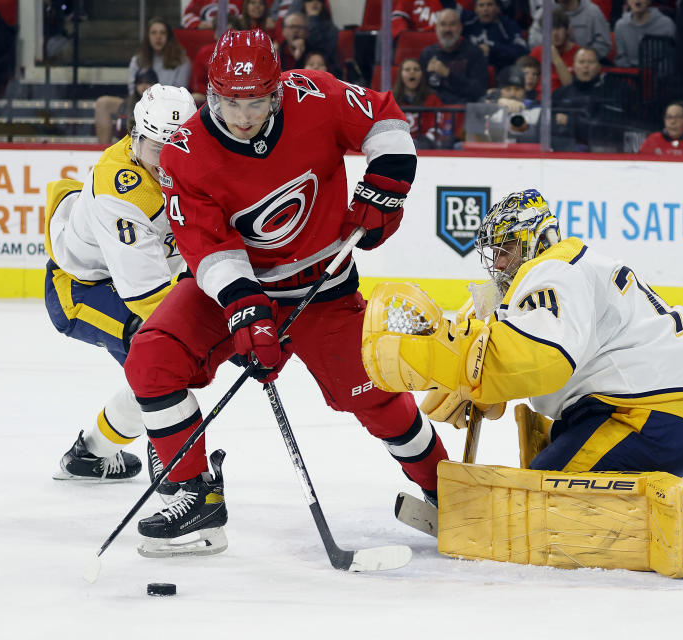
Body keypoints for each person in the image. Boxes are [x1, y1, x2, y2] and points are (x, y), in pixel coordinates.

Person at [124, 29, 450, 557]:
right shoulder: (184, 153)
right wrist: (247, 313)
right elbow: (209, 249)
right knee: (152, 356)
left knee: (375, 398)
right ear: (211, 94)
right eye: (231, 101)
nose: (244, 114)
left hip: (325, 290)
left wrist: (385, 186)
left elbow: (386, 123)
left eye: (255, 100)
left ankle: (446, 491)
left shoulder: (314, 95)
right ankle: (195, 495)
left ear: (277, 91)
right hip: (235, 292)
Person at [361, 188, 683, 504]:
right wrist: (480, 370)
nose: (500, 262)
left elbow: (546, 358)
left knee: (542, 501)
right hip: (667, 409)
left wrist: (470, 368)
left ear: (535, 240)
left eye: (506, 249)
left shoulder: (553, 271)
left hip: (658, 416)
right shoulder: (570, 265)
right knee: (550, 466)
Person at [45, 85, 197, 483]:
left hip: (131, 279)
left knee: (159, 365)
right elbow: (149, 298)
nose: (165, 164)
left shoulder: (194, 164)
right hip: (81, 288)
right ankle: (165, 451)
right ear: (136, 136)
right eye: (155, 149)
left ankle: (88, 456)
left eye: (175, 148)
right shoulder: (121, 189)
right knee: (159, 359)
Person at [94, 18, 192, 145]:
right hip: (139, 101)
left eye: (162, 33)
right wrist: (141, 91)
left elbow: (180, 91)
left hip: (167, 107)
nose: (158, 37)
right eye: (154, 33)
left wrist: (152, 91)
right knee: (103, 103)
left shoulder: (182, 61)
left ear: (169, 37)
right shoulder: (137, 60)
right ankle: (103, 152)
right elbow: (131, 89)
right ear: (148, 36)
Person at [551, 47, 631, 151]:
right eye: (581, 62)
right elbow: (545, 123)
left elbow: (605, 128)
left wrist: (570, 121)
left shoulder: (609, 94)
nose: (585, 66)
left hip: (599, 153)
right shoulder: (560, 94)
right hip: (564, 153)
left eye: (591, 62)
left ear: (598, 67)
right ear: (574, 66)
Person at [419, 8, 489, 104]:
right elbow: (419, 89)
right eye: (443, 24)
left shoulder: (474, 53)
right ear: (436, 28)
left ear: (460, 28)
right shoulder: (427, 54)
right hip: (433, 109)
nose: (448, 29)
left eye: (452, 24)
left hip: (465, 109)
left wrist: (448, 74)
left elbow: (479, 91)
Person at [392, 57, 454, 148]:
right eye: (407, 69)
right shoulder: (390, 100)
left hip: (424, 150)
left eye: (416, 69)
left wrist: (421, 144)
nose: (412, 72)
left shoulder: (432, 99)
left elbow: (437, 128)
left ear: (422, 75)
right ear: (400, 75)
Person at [529, 0, 611, 62]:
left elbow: (604, 44)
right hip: (551, 64)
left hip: (584, 67)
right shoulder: (545, 11)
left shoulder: (593, 12)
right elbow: (533, 41)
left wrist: (582, 58)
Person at [463, 0, 528, 72]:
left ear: (497, 8)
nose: (485, 9)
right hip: (472, 71)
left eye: (489, 5)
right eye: (481, 5)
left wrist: (492, 46)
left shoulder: (508, 25)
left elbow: (521, 50)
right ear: (475, 9)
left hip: (503, 70)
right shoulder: (468, 26)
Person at [613, 0, 676, 68]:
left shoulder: (667, 25)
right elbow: (620, 58)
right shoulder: (620, 26)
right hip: (630, 75)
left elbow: (672, 58)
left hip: (661, 75)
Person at [529, 8, 577, 92]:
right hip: (539, 102)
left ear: (567, 30)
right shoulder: (536, 52)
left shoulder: (578, 53)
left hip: (566, 102)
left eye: (558, 28)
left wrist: (556, 59)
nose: (555, 33)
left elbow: (572, 88)